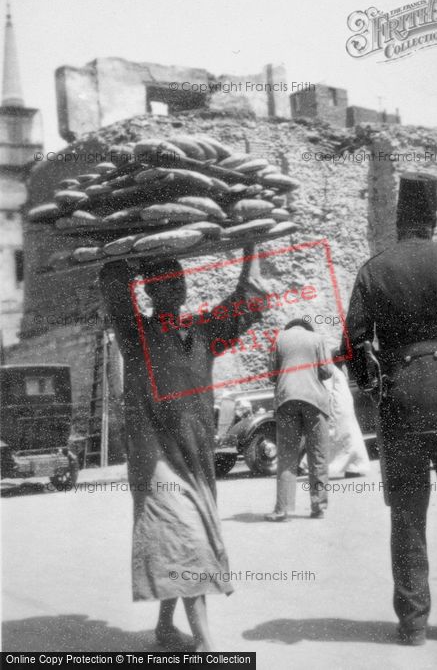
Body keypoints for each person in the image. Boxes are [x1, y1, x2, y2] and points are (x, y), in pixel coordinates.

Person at [99, 246, 266, 651]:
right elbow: (113, 284)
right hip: (156, 460)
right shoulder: (135, 334)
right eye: (164, 282)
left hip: (195, 460)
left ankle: (163, 627)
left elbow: (250, 301)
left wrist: (251, 248)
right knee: (188, 541)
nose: (176, 287)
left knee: (182, 541)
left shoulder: (204, 332)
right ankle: (207, 643)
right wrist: (131, 254)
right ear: (151, 293)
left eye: (179, 280)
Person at [343, 172, 437, 645]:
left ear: (399, 219)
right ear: (435, 216)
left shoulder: (374, 270)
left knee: (407, 516)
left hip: (401, 406)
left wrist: (375, 393)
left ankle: (414, 625)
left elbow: (353, 346)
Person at [265, 318, 333, 521]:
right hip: (315, 401)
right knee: (318, 453)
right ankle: (318, 506)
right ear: (306, 328)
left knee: (287, 454)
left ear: (289, 328)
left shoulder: (278, 339)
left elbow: (271, 374)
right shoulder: (317, 338)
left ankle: (283, 510)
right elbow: (327, 371)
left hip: (287, 400)